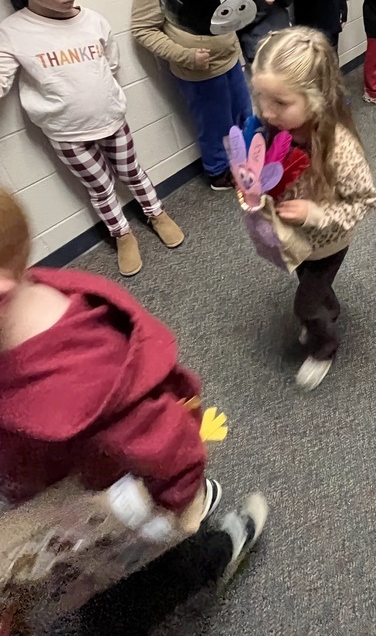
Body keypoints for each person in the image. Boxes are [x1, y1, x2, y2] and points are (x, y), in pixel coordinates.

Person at [0, 187, 267, 633]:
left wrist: (178, 498)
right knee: (81, 580)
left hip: (123, 500)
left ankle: (213, 553)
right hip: (69, 492)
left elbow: (166, 442)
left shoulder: (82, 376)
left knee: (129, 597)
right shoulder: (23, 306)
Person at [0, 0, 184, 278]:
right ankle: (122, 233)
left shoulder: (93, 21)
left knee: (133, 173)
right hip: (67, 134)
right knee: (100, 188)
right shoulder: (13, 32)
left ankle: (156, 212)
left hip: (111, 120)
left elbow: (111, 65)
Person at [250, 28, 376, 390]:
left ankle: (325, 345)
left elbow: (366, 200)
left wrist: (315, 215)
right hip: (295, 237)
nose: (265, 110)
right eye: (260, 97)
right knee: (308, 281)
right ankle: (328, 305)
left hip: (328, 242)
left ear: (316, 97)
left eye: (279, 102)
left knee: (305, 306)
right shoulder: (273, 127)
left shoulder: (340, 147)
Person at [131, 0, 252, 192]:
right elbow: (143, 29)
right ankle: (218, 171)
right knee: (215, 125)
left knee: (242, 114)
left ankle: (243, 162)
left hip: (228, 58)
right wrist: (186, 56)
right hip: (197, 69)